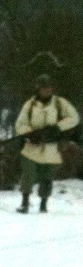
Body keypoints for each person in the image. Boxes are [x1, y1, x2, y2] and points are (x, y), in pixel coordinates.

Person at [14, 74, 79, 213]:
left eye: (49, 88)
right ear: (38, 89)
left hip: (52, 148)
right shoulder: (30, 105)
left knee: (47, 177)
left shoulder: (60, 103)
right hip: (32, 147)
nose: (46, 91)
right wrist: (30, 134)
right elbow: (20, 124)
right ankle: (24, 202)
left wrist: (57, 127)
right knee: (28, 174)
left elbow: (74, 118)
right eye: (43, 88)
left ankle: (43, 204)